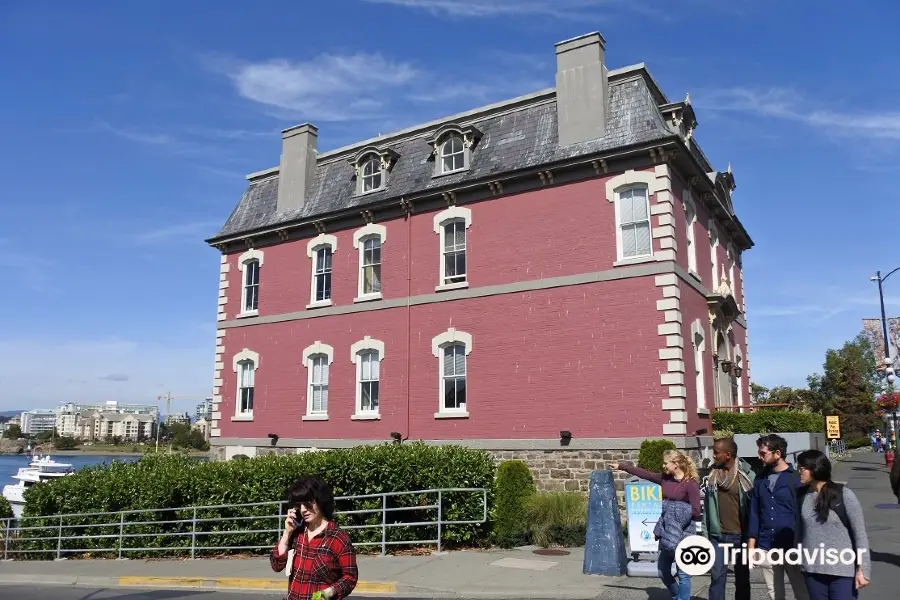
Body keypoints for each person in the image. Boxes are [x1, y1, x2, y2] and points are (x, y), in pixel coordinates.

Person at [611, 450, 701, 600]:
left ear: (676, 464)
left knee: (683, 573)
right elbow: (645, 474)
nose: (663, 465)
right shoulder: (665, 479)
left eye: (666, 463)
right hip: (666, 533)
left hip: (684, 533)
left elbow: (696, 511)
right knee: (663, 570)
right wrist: (622, 466)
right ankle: (677, 595)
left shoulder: (690, 484)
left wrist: (676, 514)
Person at [794, 450, 870, 600]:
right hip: (812, 571)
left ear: (815, 469)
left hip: (842, 571)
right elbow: (800, 531)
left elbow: (859, 534)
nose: (799, 471)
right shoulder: (801, 495)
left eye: (802, 468)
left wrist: (863, 569)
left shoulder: (844, 495)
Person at [271, 475, 358, 600]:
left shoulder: (338, 538)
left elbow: (350, 577)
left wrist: (328, 593)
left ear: (321, 501)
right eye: (299, 505)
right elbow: (276, 565)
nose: (303, 510)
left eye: (308, 503)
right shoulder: (297, 533)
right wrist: (287, 533)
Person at [747, 434, 809, 600]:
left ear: (778, 453)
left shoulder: (796, 479)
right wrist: (752, 545)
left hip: (792, 545)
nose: (759, 457)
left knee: (802, 591)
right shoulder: (760, 479)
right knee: (774, 593)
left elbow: (806, 514)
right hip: (767, 544)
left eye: (763, 453)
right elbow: (754, 513)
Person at [701, 437, 755, 600]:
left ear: (728, 454)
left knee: (742, 578)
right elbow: (707, 509)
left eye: (716, 452)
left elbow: (754, 507)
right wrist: (706, 532)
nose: (713, 456)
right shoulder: (712, 475)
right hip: (718, 535)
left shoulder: (745, 475)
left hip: (740, 535)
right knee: (717, 577)